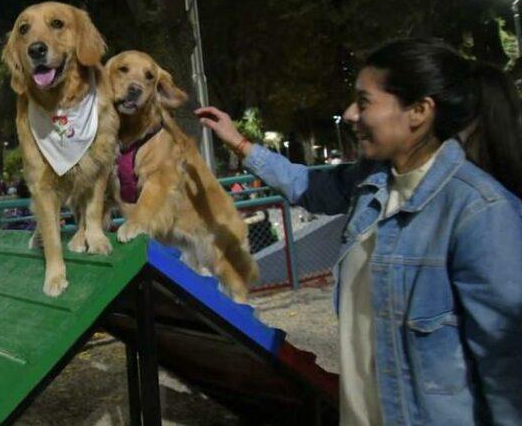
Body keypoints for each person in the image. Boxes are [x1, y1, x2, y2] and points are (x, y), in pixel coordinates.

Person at [197, 38, 522, 425]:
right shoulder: (373, 182)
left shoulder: (479, 212)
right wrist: (240, 143)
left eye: (364, 102)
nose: (350, 114)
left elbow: (507, 375)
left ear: (418, 111)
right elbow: (308, 186)